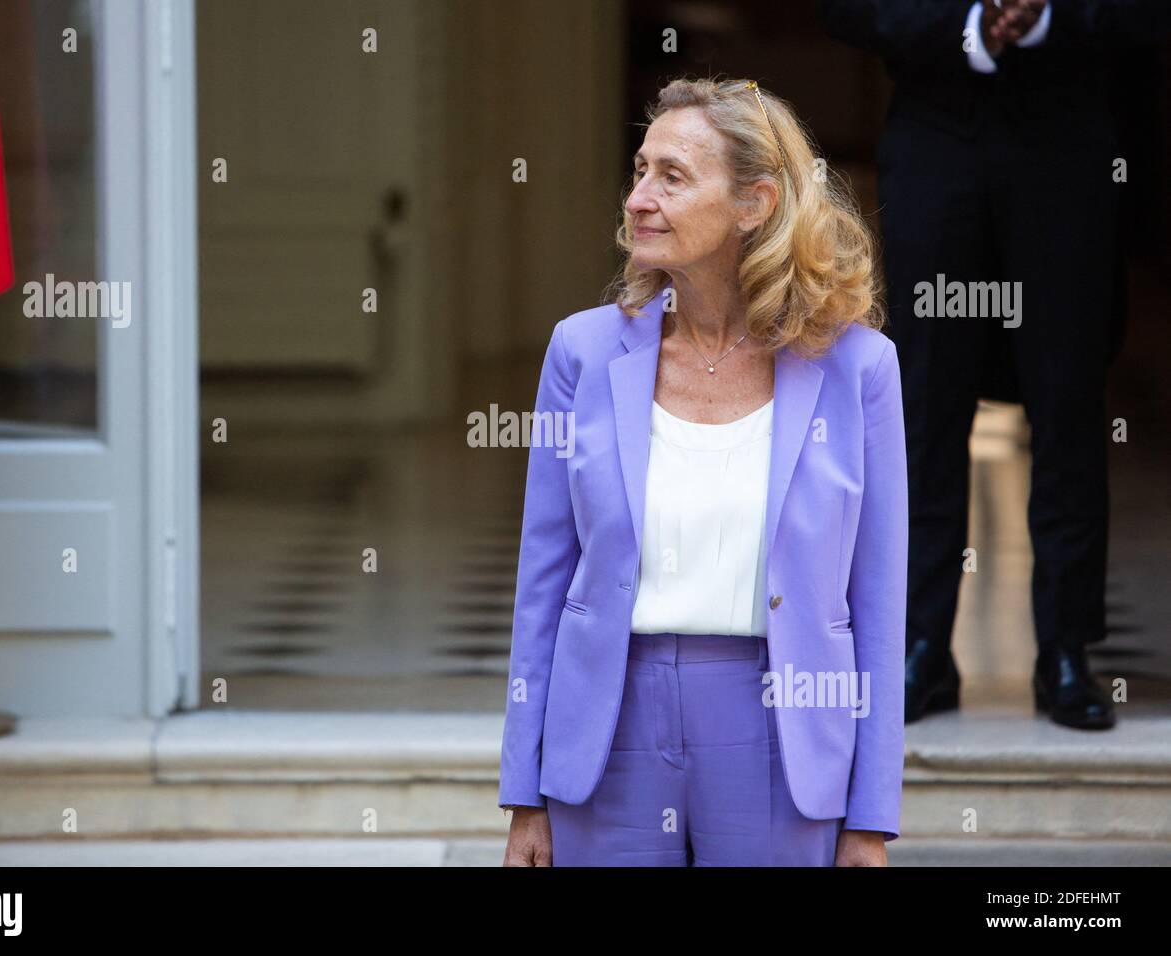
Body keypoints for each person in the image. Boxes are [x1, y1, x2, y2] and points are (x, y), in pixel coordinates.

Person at [498, 76, 907, 866]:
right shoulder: (580, 352)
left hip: (780, 734)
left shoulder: (860, 369)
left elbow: (878, 606)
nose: (639, 198)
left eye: (673, 177)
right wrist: (524, 791)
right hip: (607, 732)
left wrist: (870, 819)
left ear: (755, 204)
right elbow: (542, 582)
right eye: (640, 171)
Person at [818, 0, 1171, 730]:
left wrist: (1046, 19)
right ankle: (918, 644)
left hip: (1069, 153)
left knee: (1069, 405)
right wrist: (970, 22)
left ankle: (1066, 649)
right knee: (923, 407)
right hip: (934, 141)